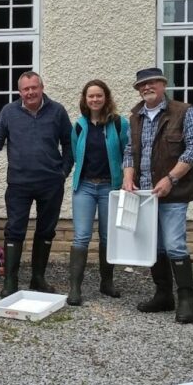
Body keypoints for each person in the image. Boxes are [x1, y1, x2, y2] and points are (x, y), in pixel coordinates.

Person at [0, 71, 73, 298]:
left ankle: (38, 278)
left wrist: (63, 172)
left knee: (46, 229)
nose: (30, 92)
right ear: (19, 92)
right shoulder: (9, 112)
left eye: (34, 88)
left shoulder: (57, 111)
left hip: (51, 182)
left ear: (41, 87)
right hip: (19, 182)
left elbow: (70, 144)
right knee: (14, 230)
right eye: (25, 89)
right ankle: (11, 281)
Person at [122, 67, 193, 324]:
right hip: (145, 194)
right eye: (141, 85)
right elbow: (129, 150)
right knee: (154, 246)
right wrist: (127, 177)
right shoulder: (135, 117)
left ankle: (186, 300)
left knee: (174, 245)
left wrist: (171, 179)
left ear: (163, 85)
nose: (146, 88)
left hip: (173, 192)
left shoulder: (184, 111)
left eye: (151, 83)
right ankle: (163, 296)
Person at [67, 80, 129, 306]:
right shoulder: (79, 126)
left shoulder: (120, 124)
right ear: (85, 99)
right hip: (84, 187)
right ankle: (75, 288)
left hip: (109, 187)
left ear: (106, 98)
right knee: (81, 236)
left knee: (107, 236)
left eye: (99, 96)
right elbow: (76, 154)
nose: (94, 100)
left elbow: (128, 153)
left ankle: (107, 282)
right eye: (90, 96)